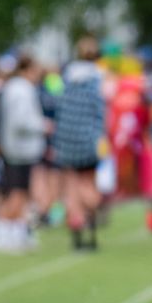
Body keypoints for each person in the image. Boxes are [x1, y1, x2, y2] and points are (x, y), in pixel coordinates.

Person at [52, 37, 107, 251]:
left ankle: (76, 233)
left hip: (66, 139)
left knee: (72, 188)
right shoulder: (97, 79)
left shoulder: (66, 77)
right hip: (88, 139)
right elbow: (101, 113)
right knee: (88, 185)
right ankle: (91, 230)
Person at [0, 54, 48, 252]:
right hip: (19, 149)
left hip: (18, 148)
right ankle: (3, 233)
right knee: (16, 193)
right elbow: (21, 122)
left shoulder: (15, 87)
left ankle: (17, 234)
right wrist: (43, 126)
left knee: (22, 193)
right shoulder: (21, 89)